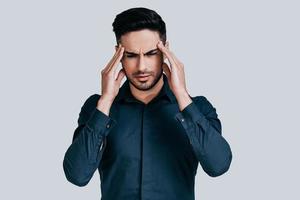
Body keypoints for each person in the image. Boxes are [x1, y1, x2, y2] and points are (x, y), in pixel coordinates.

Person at [63, 7, 232, 200]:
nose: (142, 66)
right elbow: (77, 175)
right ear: (118, 54)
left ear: (165, 51)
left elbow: (218, 166)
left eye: (151, 53)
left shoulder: (197, 108)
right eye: (131, 55)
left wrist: (182, 96)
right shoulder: (98, 108)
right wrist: (106, 101)